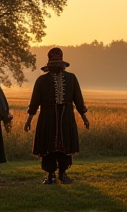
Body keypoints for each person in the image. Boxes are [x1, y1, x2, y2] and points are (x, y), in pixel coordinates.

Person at [24, 47, 89, 184]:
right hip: (47, 117)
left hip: (66, 117)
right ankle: (50, 174)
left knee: (64, 147)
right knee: (48, 147)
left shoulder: (71, 79)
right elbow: (34, 103)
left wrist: (84, 118)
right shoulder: (41, 80)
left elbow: (78, 100)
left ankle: (63, 173)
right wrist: (29, 120)